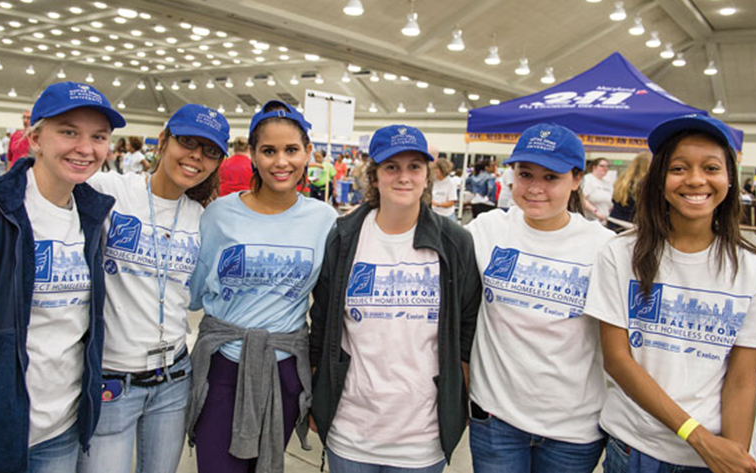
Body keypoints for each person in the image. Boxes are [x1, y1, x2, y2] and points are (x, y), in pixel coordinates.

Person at [0, 104, 230, 473]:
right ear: (164, 141)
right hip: (111, 383)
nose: (195, 156)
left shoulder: (204, 218)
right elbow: (31, 188)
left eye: (210, 151)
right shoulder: (104, 191)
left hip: (173, 378)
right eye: (187, 142)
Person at [0, 81, 125, 473]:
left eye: (98, 137)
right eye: (69, 132)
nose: (85, 148)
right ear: (36, 139)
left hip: (62, 429)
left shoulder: (92, 217)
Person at [584, 114, 756, 473]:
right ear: (660, 181)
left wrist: (731, 455)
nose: (696, 180)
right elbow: (618, 360)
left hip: (709, 457)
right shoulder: (621, 254)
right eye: (679, 168)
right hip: (634, 447)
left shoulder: (755, 273)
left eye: (711, 168)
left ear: (730, 180)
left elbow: (741, 380)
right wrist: (697, 436)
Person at [309, 124, 481, 473]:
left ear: (427, 176)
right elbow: (324, 321)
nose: (404, 177)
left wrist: (455, 400)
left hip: (421, 436)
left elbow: (466, 329)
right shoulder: (345, 237)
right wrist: (318, 397)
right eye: (392, 167)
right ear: (374, 177)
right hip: (352, 430)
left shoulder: (454, 242)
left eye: (414, 167)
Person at [184, 100, 338, 473]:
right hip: (222, 366)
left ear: (308, 154)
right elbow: (193, 293)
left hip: (284, 369)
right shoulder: (219, 214)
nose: (280, 162)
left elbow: (326, 302)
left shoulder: (324, 219)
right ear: (252, 154)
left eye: (291, 150)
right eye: (268, 151)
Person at [467, 123, 614, 473]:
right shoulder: (488, 230)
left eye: (551, 177)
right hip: (496, 419)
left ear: (577, 179)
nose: (534, 188)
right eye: (525, 174)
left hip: (574, 430)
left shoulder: (604, 247)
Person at [607, 152, 651, 233]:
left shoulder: (621, 181)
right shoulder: (648, 185)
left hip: (613, 221)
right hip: (632, 226)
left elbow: (614, 200)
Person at [582, 157, 613, 222]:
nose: (605, 169)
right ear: (594, 167)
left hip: (605, 220)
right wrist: (596, 212)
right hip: (590, 220)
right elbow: (581, 199)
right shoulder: (588, 179)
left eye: (607, 166)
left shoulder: (608, 183)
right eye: (602, 166)